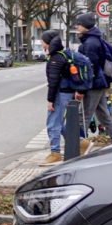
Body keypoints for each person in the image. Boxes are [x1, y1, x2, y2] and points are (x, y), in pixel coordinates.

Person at [72, 13, 112, 149]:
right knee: (103, 115)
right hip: (99, 83)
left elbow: (89, 68)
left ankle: (77, 146)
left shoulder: (90, 43)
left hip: (93, 84)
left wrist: (82, 88)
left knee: (84, 116)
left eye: (79, 24)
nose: (77, 26)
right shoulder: (94, 39)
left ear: (85, 26)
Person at [40, 29, 80, 165]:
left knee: (52, 124)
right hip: (66, 92)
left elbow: (53, 81)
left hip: (60, 94)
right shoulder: (62, 54)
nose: (41, 43)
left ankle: (55, 153)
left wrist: (50, 100)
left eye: (42, 41)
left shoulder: (55, 58)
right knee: (60, 124)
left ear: (47, 42)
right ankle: (80, 142)